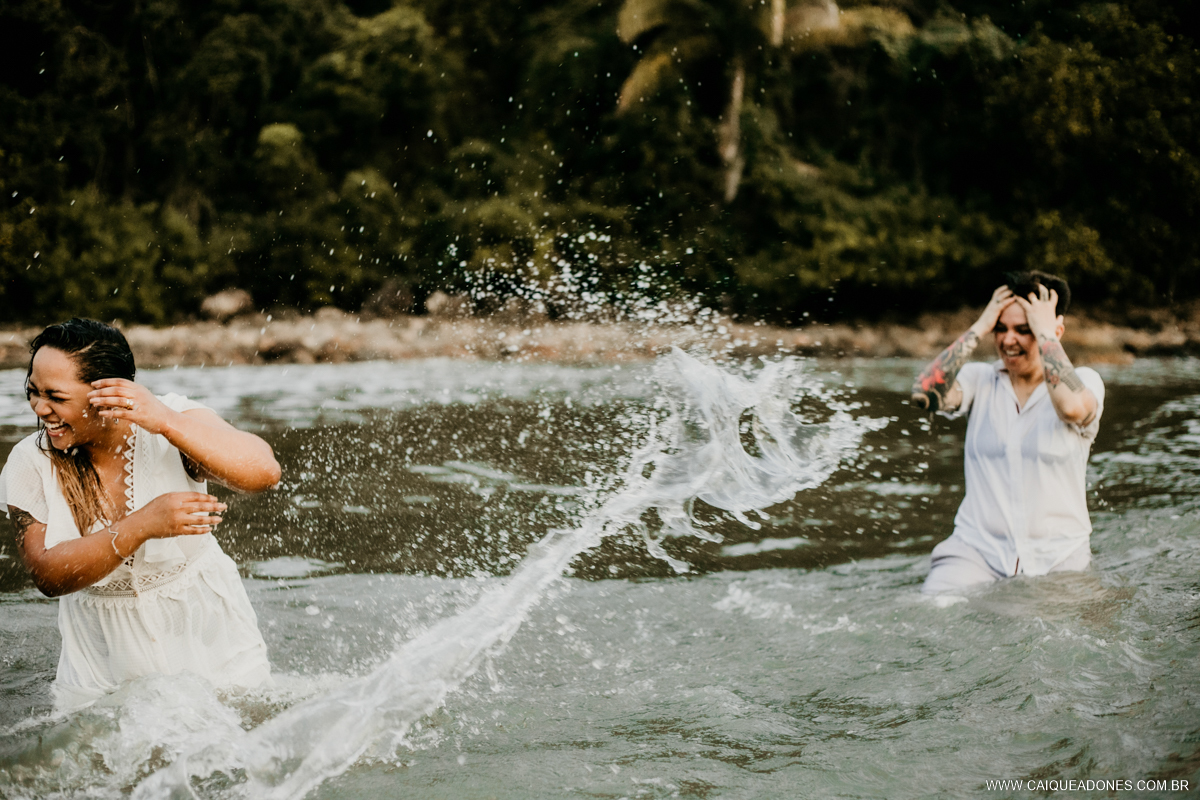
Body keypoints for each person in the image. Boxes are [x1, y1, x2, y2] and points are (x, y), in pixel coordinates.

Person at [0, 318, 281, 708]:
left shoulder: (171, 419)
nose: (40, 408)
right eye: (33, 392)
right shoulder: (28, 461)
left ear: (109, 394)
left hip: (212, 636)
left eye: (56, 397)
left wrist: (165, 421)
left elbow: (264, 473)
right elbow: (47, 575)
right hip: (99, 661)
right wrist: (143, 525)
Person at [910, 272, 1104, 594]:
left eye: (1023, 330)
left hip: (1059, 559)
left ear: (1056, 329)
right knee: (932, 613)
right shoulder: (979, 380)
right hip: (975, 554)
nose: (1007, 340)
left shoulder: (1085, 381)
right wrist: (980, 326)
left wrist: (1044, 333)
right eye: (1001, 328)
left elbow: (1071, 408)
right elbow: (924, 395)